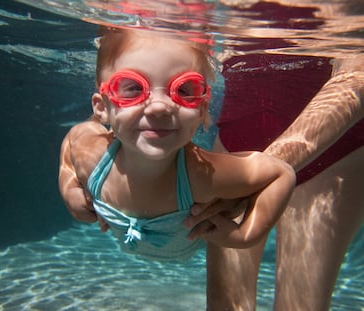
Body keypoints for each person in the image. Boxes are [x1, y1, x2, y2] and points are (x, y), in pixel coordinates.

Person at [58, 27, 296, 261]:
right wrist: (68, 187)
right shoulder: (93, 157)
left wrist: (247, 235)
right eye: (133, 88)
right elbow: (72, 140)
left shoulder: (200, 177)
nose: (160, 106)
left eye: (183, 89)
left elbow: (280, 174)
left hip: (185, 255)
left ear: (202, 110)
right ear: (101, 107)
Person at [184, 1, 364, 309]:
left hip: (330, 149)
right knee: (224, 304)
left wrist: (251, 176)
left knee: (299, 304)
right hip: (236, 145)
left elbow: (358, 77)